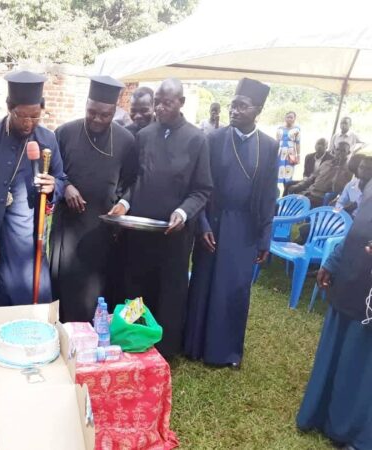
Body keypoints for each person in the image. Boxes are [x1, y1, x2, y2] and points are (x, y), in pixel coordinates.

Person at [108, 77, 213, 359]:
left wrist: (182, 212)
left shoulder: (197, 139)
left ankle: (164, 351)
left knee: (169, 290)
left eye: (167, 103)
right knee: (136, 286)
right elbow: (134, 180)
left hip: (174, 235)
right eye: (158, 102)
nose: (161, 108)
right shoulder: (144, 136)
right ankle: (133, 339)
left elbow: (202, 189)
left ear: (181, 102)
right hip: (140, 231)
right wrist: (124, 203)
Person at [183, 78, 278, 368]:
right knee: (205, 282)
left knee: (234, 287)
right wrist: (202, 224)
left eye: (242, 106)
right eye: (232, 105)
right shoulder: (213, 139)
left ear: (258, 110)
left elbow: (268, 195)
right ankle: (196, 346)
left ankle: (225, 352)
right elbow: (199, 186)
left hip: (245, 228)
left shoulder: (269, 146)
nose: (234, 111)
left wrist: (265, 236)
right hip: (213, 222)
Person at [0, 71, 66, 327]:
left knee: (32, 318)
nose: (29, 123)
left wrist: (53, 187)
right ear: (9, 107)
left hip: (31, 242)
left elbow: (61, 178)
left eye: (35, 116)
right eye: (23, 116)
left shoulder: (47, 139)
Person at [49, 76, 137, 322]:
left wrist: (123, 205)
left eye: (105, 115)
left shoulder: (126, 141)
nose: (97, 119)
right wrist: (66, 186)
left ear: (114, 111)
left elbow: (133, 182)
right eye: (92, 112)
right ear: (86, 106)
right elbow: (52, 172)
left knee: (98, 292)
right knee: (64, 290)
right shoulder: (64, 133)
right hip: (68, 228)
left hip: (103, 229)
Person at [296, 167, 372, 449]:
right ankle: (320, 415)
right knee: (337, 351)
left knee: (361, 362)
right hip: (350, 278)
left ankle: (355, 433)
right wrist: (332, 261)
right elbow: (356, 229)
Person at [288, 141, 352, 207]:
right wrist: (299, 185)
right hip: (309, 192)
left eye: (343, 151)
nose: (339, 153)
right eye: (338, 150)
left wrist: (339, 169)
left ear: (348, 153)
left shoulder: (348, 170)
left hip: (322, 198)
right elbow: (311, 178)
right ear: (334, 150)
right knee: (288, 198)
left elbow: (337, 189)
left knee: (294, 206)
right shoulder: (326, 163)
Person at [334, 153, 372, 218]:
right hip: (347, 217)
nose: (364, 171)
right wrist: (343, 210)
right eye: (361, 167)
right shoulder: (350, 185)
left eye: (369, 168)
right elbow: (339, 203)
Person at [277, 111, 301, 188]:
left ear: (294, 119)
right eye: (288, 117)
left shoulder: (297, 129)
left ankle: (286, 190)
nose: (289, 119)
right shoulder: (280, 128)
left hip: (291, 154)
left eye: (291, 117)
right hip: (280, 153)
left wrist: (298, 156)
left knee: (288, 173)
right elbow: (276, 141)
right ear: (285, 118)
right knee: (277, 172)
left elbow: (298, 143)